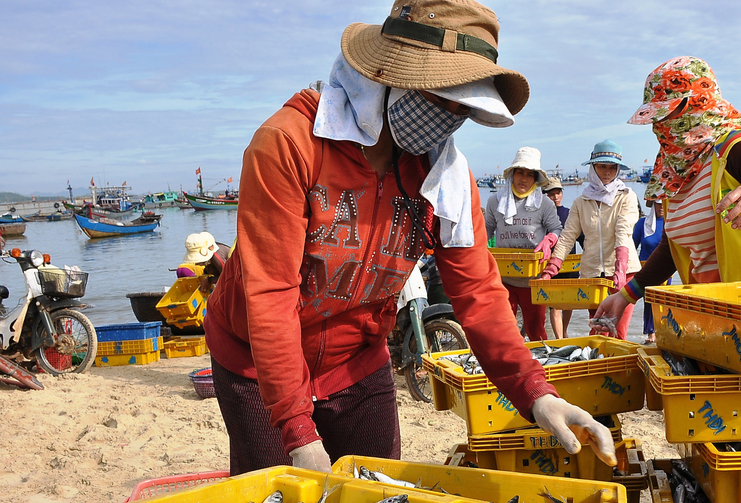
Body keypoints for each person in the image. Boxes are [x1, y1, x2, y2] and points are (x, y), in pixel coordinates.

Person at [204, 0, 614, 475]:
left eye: (465, 107)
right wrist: (297, 430)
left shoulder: (445, 174)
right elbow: (269, 292)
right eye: (444, 98)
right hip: (256, 364)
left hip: (356, 359)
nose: (452, 118)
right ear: (392, 75)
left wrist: (534, 391)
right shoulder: (289, 144)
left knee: (379, 500)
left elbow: (478, 291)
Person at [594, 57, 741, 324]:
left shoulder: (739, 148)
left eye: (668, 114)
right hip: (708, 315)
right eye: (657, 117)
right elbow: (674, 246)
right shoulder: (673, 170)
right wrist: (625, 296)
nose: (662, 125)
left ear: (697, 104)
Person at [541, 140, 640, 340]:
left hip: (625, 272)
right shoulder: (581, 202)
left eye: (612, 167)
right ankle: (597, 368)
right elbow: (568, 236)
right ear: (593, 168)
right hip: (593, 276)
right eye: (602, 166)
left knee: (618, 332)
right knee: (597, 330)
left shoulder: (626, 196)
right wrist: (551, 269)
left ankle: (619, 368)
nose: (607, 172)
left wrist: (619, 269)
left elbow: (623, 230)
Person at [485, 146, 563, 341]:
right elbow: (485, 231)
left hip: (534, 280)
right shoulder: (495, 201)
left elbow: (557, 229)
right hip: (503, 279)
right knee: (504, 330)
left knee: (535, 330)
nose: (524, 178)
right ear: (512, 173)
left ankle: (542, 367)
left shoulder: (544, 203)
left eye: (530, 175)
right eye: (520, 172)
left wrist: (549, 239)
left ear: (535, 179)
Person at [541, 176, 583, 339]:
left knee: (569, 303)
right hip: (551, 267)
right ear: (545, 195)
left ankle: (564, 332)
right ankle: (559, 339)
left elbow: (581, 237)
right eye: (551, 194)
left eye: (558, 192)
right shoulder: (542, 215)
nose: (555, 197)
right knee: (554, 305)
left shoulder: (570, 213)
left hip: (570, 266)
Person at [632, 200, 666, 343]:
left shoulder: (669, 223)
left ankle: (664, 331)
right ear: (653, 205)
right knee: (649, 301)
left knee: (663, 301)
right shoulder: (642, 224)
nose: (662, 207)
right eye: (659, 204)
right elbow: (632, 246)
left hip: (665, 269)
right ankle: (651, 333)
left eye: (665, 203)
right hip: (645, 269)